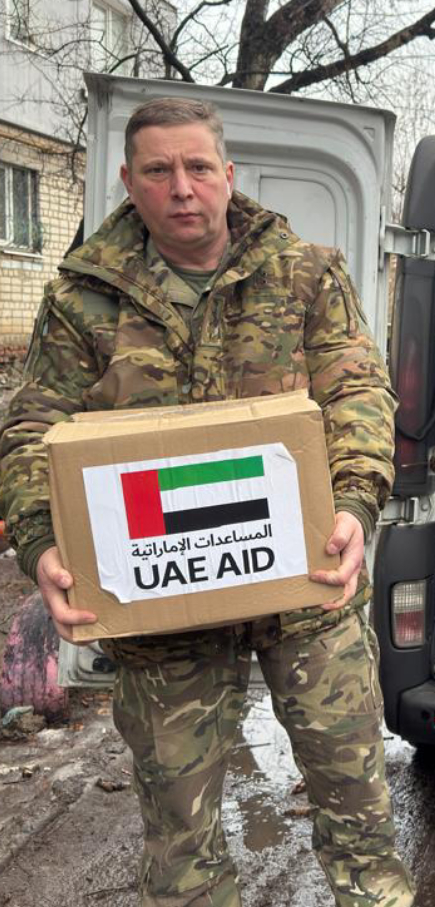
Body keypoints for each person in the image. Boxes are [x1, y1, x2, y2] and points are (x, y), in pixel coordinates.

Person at [0, 97, 414, 907]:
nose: (180, 188)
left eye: (197, 168)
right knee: (180, 834)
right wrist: (41, 540)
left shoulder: (305, 273)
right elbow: (33, 426)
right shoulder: (83, 298)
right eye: (158, 170)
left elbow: (359, 393)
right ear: (129, 180)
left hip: (306, 584)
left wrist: (357, 505)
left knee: (357, 801)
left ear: (228, 176)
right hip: (161, 600)